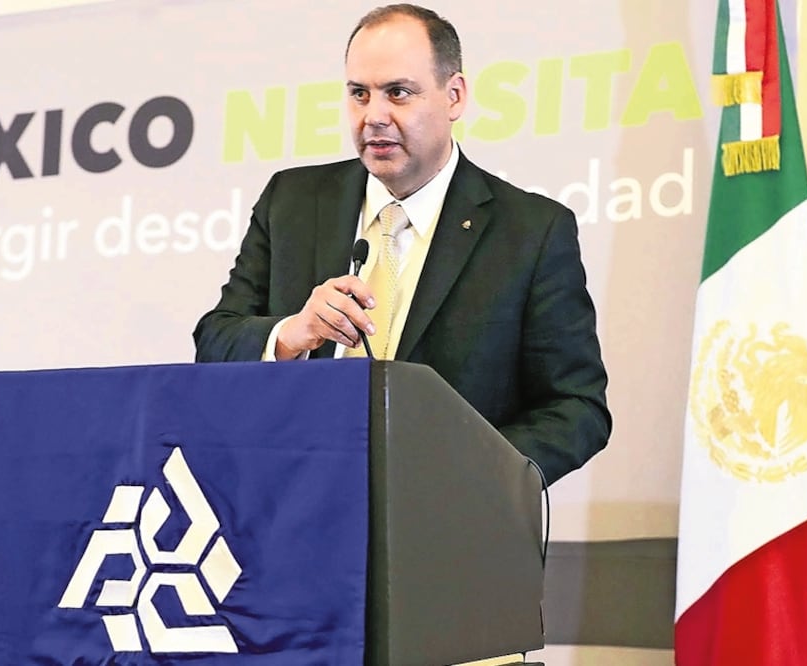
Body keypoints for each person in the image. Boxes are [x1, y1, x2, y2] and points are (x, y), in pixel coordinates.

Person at [193, 3, 610, 485]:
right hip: (293, 509)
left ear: (453, 96)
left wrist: (473, 474)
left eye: (398, 93)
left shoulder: (531, 231)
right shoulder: (292, 202)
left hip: (446, 526)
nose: (374, 116)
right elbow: (215, 341)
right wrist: (291, 334)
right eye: (359, 94)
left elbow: (576, 407)